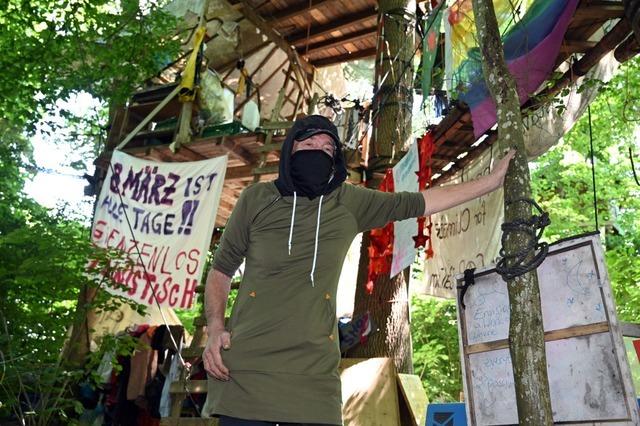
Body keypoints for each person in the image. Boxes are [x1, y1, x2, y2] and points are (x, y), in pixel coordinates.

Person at [201, 115, 515, 426]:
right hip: (247, 370)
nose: (317, 151)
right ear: (289, 151)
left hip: (314, 376)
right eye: (308, 143)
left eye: (326, 148)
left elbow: (419, 202)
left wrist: (491, 182)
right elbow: (222, 268)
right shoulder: (256, 199)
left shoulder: (348, 201)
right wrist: (215, 327)